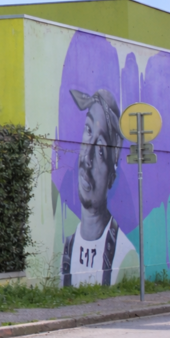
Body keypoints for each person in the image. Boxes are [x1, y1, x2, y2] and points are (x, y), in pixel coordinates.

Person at [61, 89, 137, 287]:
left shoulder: (124, 254)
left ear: (112, 176)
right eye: (87, 131)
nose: (87, 157)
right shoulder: (66, 248)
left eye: (102, 150)